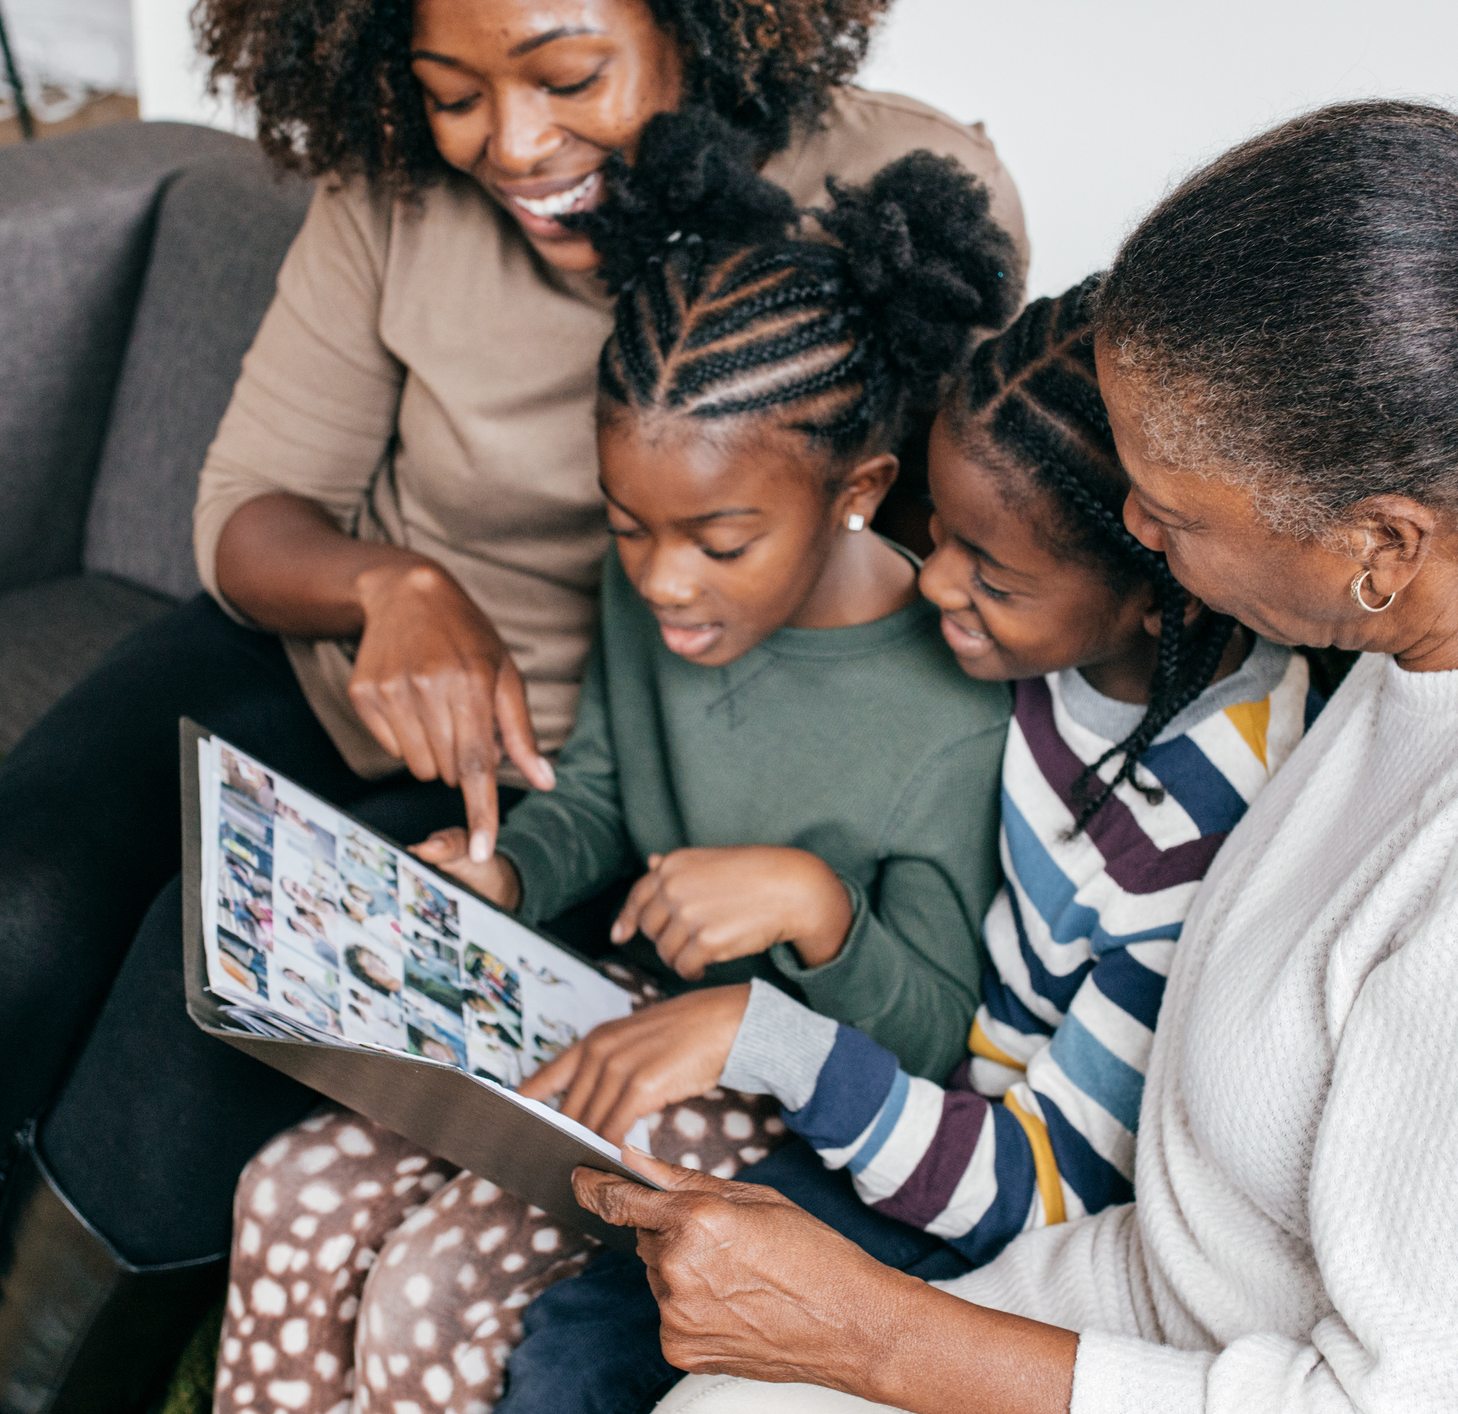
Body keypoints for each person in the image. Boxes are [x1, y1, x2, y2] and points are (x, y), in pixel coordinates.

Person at [0, 1, 1030, 1408]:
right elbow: (244, 517)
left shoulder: (890, 211)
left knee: (183, 1017)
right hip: (338, 646)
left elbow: (926, 598)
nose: (514, 140)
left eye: (566, 74)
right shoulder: (392, 195)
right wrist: (392, 587)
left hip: (557, 760)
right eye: (451, 90)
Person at [567, 102, 1458, 1413]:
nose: (1132, 525)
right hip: (1174, 1287)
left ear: (1375, 548)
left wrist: (859, 1332)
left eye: (1170, 515)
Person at [211, 113, 1020, 1414]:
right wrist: (507, 876)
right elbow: (593, 793)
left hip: (795, 1101)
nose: (660, 578)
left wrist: (814, 909)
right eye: (628, 525)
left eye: (716, 537)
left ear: (858, 489)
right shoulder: (647, 591)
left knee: (433, 1297)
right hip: (617, 1007)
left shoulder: (955, 707)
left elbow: (931, 1040)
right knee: (286, 1187)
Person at [494, 275, 1325, 1414]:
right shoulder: (1052, 639)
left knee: (590, 1356)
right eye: (937, 535)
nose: (932, 583)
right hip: (921, 1103)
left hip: (1004, 1182)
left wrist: (762, 1031)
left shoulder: (1193, 833)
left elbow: (1043, 1186)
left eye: (988, 574)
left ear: (1159, 582)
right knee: (593, 1320)